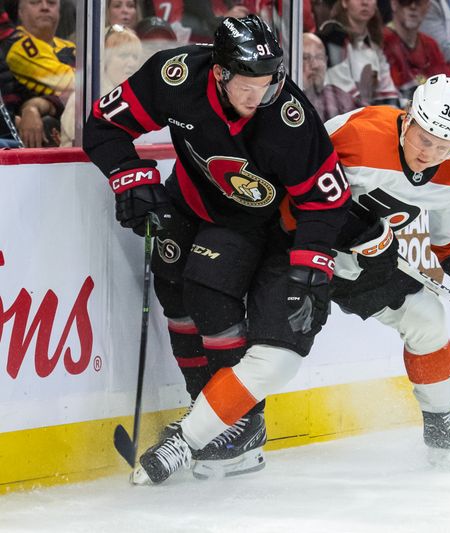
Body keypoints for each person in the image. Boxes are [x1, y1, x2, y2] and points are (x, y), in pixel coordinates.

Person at [82, 14, 351, 484]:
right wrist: (132, 177)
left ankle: (241, 422)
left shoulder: (289, 116)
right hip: (188, 201)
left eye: (267, 85)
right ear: (220, 73)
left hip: (256, 224)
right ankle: (204, 410)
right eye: (247, 85)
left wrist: (314, 266)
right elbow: (104, 125)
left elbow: (326, 198)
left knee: (208, 289)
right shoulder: (177, 76)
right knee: (175, 297)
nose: (257, 97)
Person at [321, 74, 450, 468]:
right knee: (275, 344)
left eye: (445, 146)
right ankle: (238, 426)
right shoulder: (358, 132)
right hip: (303, 249)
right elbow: (297, 182)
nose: (429, 153)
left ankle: (441, 426)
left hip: (368, 263)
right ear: (408, 118)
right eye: (424, 139)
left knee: (427, 318)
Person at [2, 0, 76, 147]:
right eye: (35, 2)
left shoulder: (70, 46)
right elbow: (75, 84)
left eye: (51, 3)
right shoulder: (17, 45)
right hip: (24, 142)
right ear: (20, 12)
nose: (44, 7)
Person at [60, 24, 142, 146]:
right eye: (123, 55)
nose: (131, 63)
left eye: (135, 57)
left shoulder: (138, 97)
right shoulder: (84, 98)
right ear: (105, 60)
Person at [317, 0, 401, 107]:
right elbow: (344, 95)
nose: (365, 2)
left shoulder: (373, 41)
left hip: (365, 115)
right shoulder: (332, 35)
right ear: (344, 2)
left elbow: (387, 93)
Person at [381, 0, 446, 102]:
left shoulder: (431, 45)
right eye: (406, 1)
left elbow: (443, 89)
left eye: (419, 2)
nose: (413, 7)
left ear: (428, 7)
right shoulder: (381, 42)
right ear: (394, 4)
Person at [302, 31, 358, 121]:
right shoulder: (286, 101)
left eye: (319, 57)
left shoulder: (339, 98)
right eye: (305, 58)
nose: (315, 65)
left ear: (326, 61)